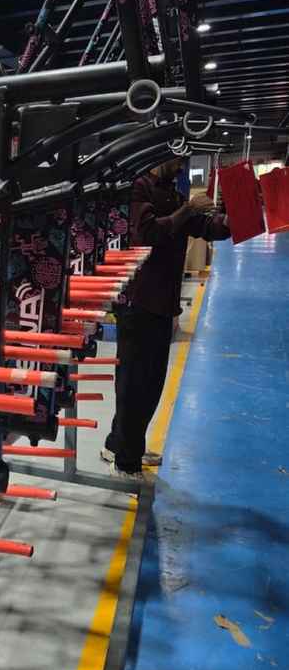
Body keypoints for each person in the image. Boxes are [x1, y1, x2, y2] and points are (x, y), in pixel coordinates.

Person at [102, 158, 230, 480]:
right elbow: (146, 233)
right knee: (135, 385)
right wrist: (188, 209)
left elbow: (204, 227)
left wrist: (236, 217)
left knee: (148, 383)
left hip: (161, 302)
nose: (182, 164)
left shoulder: (171, 192)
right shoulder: (137, 187)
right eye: (178, 158)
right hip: (138, 301)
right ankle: (126, 461)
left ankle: (121, 443)